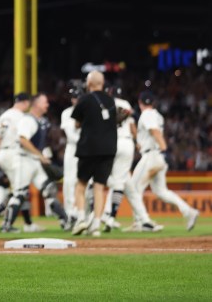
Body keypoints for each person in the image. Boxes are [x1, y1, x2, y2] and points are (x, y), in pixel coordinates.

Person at [124, 91, 199, 232]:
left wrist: (164, 149)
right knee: (161, 191)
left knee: (133, 188)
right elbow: (153, 134)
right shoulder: (157, 115)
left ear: (140, 103)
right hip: (157, 156)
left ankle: (142, 223)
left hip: (152, 156)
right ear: (153, 103)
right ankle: (189, 211)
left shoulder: (147, 114)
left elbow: (155, 132)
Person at [1, 93, 69, 232]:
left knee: (49, 189)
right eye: (45, 102)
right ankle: (6, 225)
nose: (47, 105)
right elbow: (23, 139)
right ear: (36, 104)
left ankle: (65, 221)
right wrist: (40, 155)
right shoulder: (28, 120)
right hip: (24, 160)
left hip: (34, 161)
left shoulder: (41, 120)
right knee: (20, 193)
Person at [70, 71, 117, 237]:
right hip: (108, 149)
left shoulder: (85, 99)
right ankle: (96, 225)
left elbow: (76, 122)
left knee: (81, 185)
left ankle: (81, 219)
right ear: (102, 84)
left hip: (88, 148)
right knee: (99, 187)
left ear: (88, 84)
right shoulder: (111, 100)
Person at [0, 92, 41, 233]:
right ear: (25, 103)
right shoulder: (22, 117)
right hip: (15, 153)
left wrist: (1, 151)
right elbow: (23, 138)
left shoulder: (4, 114)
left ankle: (27, 223)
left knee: (20, 189)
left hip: (3, 152)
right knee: (20, 191)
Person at [101, 86, 136, 232]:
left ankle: (99, 214)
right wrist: (138, 141)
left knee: (102, 177)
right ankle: (110, 217)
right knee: (119, 182)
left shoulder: (104, 104)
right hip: (126, 142)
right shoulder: (126, 104)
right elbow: (132, 126)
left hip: (109, 142)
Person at [60, 86, 81, 229]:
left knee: (86, 182)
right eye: (74, 97)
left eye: (78, 97)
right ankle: (69, 215)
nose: (76, 99)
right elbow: (71, 135)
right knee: (69, 182)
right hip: (73, 149)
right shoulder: (67, 113)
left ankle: (80, 214)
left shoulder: (90, 110)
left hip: (87, 149)